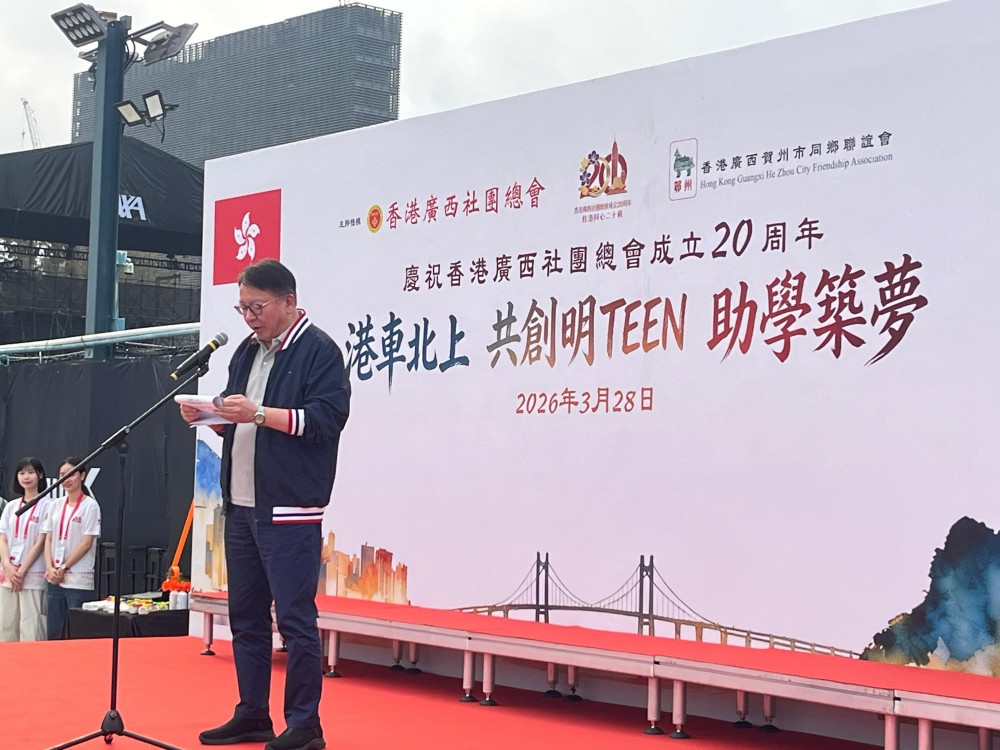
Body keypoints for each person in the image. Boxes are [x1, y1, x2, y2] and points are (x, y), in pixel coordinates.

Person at [180, 259, 350, 750]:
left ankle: (305, 725)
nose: (250, 317)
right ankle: (253, 713)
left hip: (289, 509)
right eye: (243, 308)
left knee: (295, 620)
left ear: (288, 302)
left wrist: (256, 413)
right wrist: (209, 416)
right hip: (241, 505)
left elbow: (324, 421)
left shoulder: (319, 351)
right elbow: (240, 419)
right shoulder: (245, 352)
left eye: (257, 307)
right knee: (246, 617)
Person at [43, 458, 101, 640]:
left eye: (71, 474)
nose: (66, 479)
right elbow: (48, 538)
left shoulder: (90, 506)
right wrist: (49, 567)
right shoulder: (55, 505)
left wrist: (64, 567)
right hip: (54, 578)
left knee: (77, 632)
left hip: (77, 579)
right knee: (54, 630)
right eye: (62, 475)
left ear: (82, 476)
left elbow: (86, 543)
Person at [0, 457, 50, 641]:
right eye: (22, 473)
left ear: (40, 475)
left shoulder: (48, 505)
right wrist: (8, 566)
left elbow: (40, 542)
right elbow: (3, 538)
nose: (26, 477)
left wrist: (21, 572)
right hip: (8, 573)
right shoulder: (11, 506)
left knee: (31, 625)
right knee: (6, 624)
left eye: (30, 472)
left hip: (32, 574)